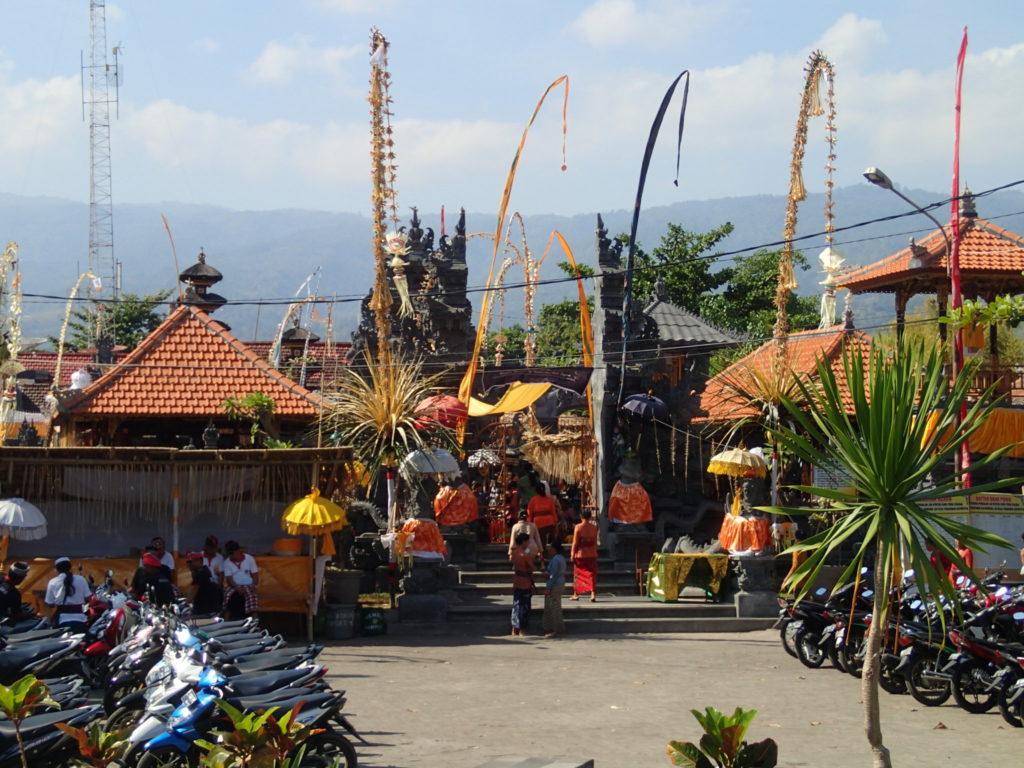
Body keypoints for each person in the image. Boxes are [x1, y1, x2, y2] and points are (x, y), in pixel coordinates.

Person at [45, 557, 92, 626]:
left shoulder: (53, 582)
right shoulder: (81, 579)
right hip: (80, 618)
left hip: (61, 619)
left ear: (57, 570)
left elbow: (49, 603)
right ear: (70, 567)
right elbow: (88, 598)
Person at [222, 540, 260, 617]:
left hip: (249, 584)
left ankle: (255, 623)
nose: (231, 556)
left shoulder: (250, 559)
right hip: (234, 585)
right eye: (229, 554)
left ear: (238, 551)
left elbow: (255, 575)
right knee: (228, 596)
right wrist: (237, 588)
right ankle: (225, 622)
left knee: (252, 597)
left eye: (232, 553)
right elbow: (229, 579)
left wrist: (253, 585)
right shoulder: (227, 562)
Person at [509, 532, 535, 636]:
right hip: (525, 581)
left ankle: (514, 628)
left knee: (516, 604)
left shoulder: (514, 553)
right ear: (524, 541)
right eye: (527, 541)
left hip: (517, 580)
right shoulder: (525, 554)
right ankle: (522, 629)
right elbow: (532, 567)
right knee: (524, 606)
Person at [571, 508, 599, 602]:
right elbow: (595, 542)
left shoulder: (578, 527)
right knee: (592, 574)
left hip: (581, 554)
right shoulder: (594, 528)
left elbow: (575, 543)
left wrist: (572, 553)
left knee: (578, 574)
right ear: (590, 517)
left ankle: (576, 594)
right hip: (591, 553)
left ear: (581, 516)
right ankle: (593, 593)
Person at [185, 550, 222, 615]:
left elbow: (193, 591)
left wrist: (185, 603)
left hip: (205, 610)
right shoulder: (206, 570)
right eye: (188, 562)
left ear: (199, 561)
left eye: (191, 562)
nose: (189, 565)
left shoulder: (201, 574)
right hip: (211, 608)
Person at [543, 541, 567, 638]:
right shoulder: (560, 558)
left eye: (551, 548)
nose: (549, 550)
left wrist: (548, 588)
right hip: (560, 582)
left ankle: (555, 630)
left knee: (554, 608)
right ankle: (556, 628)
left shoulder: (556, 560)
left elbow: (553, 575)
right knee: (556, 607)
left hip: (555, 585)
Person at [527, 481, 558, 548]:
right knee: (545, 539)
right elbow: (553, 512)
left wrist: (529, 522)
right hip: (546, 522)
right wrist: (555, 521)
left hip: (542, 523)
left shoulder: (534, 499)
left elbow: (530, 512)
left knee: (543, 540)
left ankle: (545, 552)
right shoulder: (549, 499)